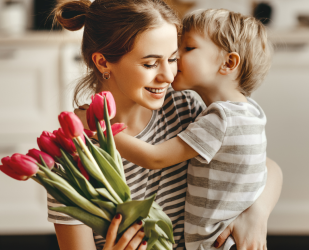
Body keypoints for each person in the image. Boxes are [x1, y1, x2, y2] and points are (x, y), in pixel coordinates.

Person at [50, 1, 282, 250]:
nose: (169, 76)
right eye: (150, 64)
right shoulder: (73, 158)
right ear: (103, 62)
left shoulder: (183, 109)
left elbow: (262, 164)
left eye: (173, 59)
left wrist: (256, 213)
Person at [113, 8, 274, 250]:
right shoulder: (250, 111)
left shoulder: (221, 119)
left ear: (228, 62)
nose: (176, 57)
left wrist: (100, 128)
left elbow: (154, 157)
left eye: (188, 48)